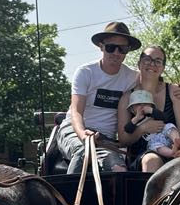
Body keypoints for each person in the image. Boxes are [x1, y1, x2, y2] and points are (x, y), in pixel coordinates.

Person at [56, 21, 140, 174]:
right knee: (84, 153)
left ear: (127, 50)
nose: (116, 52)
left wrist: (178, 90)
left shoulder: (133, 77)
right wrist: (82, 134)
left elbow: (156, 84)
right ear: (101, 46)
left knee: (119, 170)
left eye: (122, 49)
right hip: (74, 131)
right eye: (111, 47)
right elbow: (76, 111)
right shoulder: (85, 72)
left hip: (105, 139)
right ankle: (72, 190)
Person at [117, 44, 180, 172]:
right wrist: (142, 129)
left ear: (163, 67)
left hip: (173, 149)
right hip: (141, 155)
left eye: (158, 61)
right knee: (151, 160)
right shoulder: (127, 97)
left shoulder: (174, 91)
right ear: (139, 64)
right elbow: (123, 140)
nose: (152, 64)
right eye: (147, 59)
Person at [125, 90, 180, 160]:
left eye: (146, 104)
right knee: (156, 146)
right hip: (152, 142)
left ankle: (177, 141)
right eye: (138, 104)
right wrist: (136, 118)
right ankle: (172, 153)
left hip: (163, 134)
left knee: (169, 126)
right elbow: (127, 129)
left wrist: (151, 111)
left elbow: (165, 118)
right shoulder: (135, 120)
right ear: (132, 109)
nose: (142, 106)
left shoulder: (154, 114)